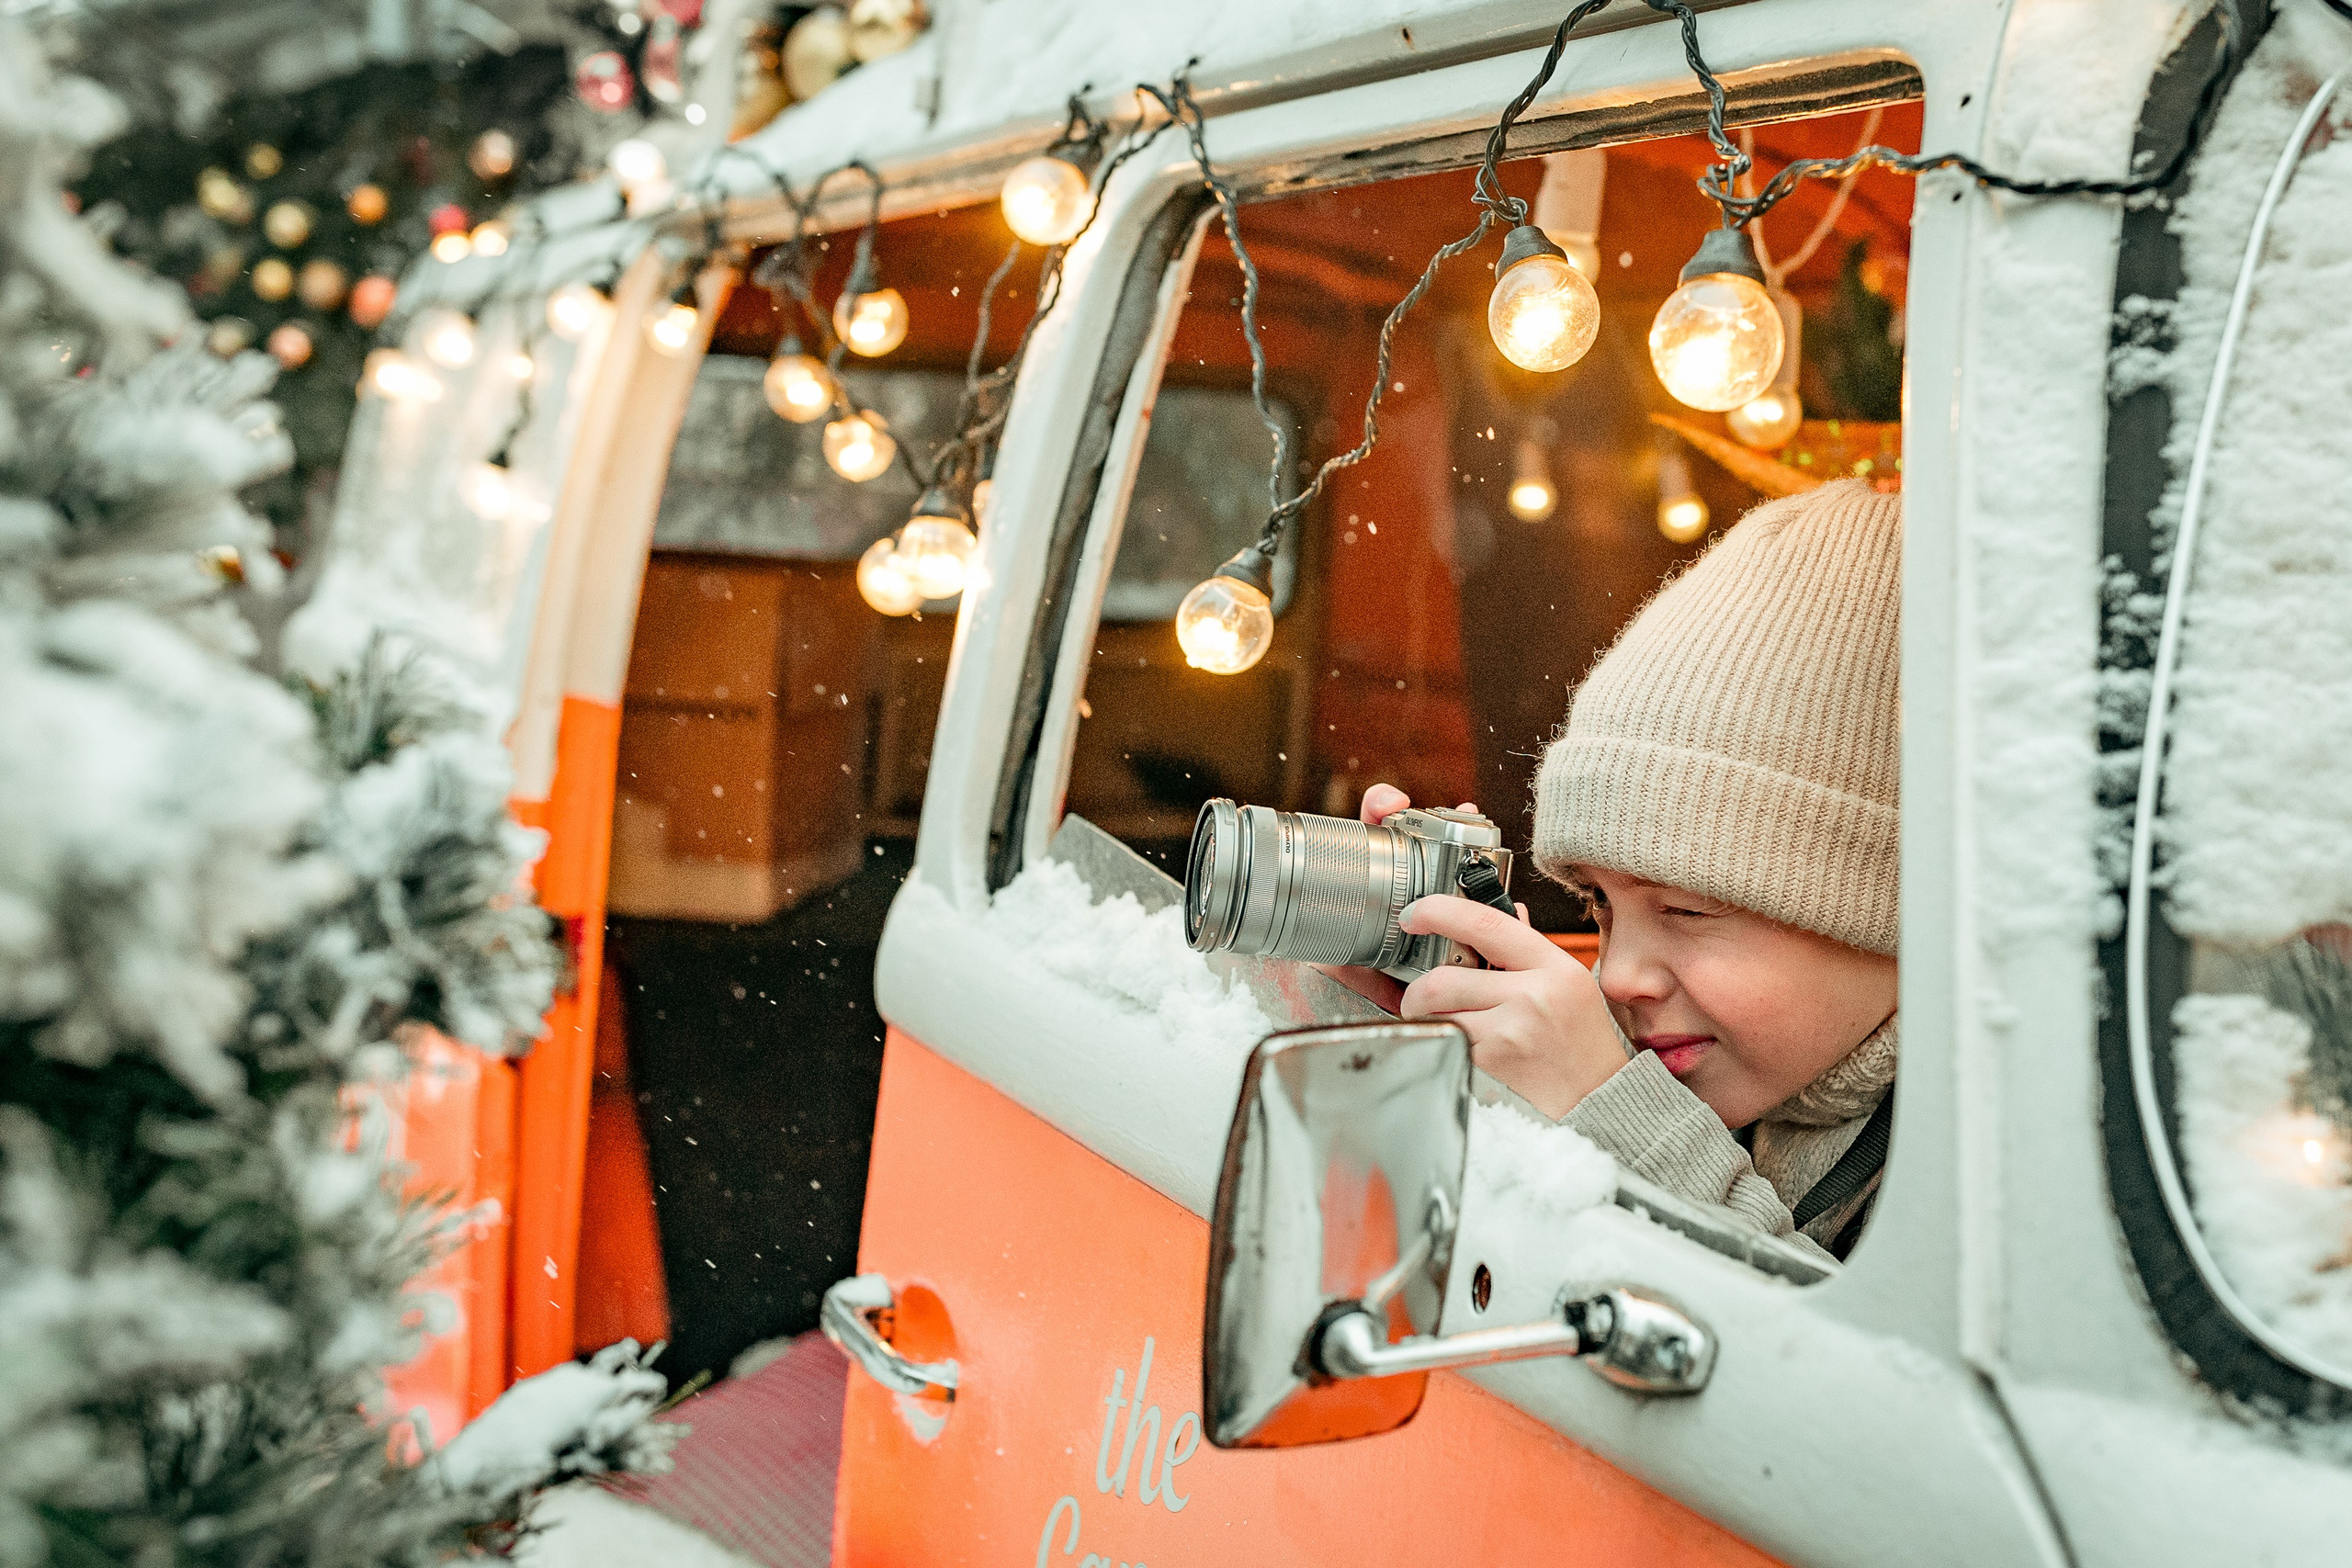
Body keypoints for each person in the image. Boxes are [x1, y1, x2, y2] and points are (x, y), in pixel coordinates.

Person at [1346, 479, 1900, 1261]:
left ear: (1880, 903)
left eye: (1687, 910)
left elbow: (1849, 1374)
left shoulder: (2026, 1165)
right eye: (1601, 906)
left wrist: (1618, 1123)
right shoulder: (1763, 1073)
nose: (1617, 977)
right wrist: (1410, 1032)